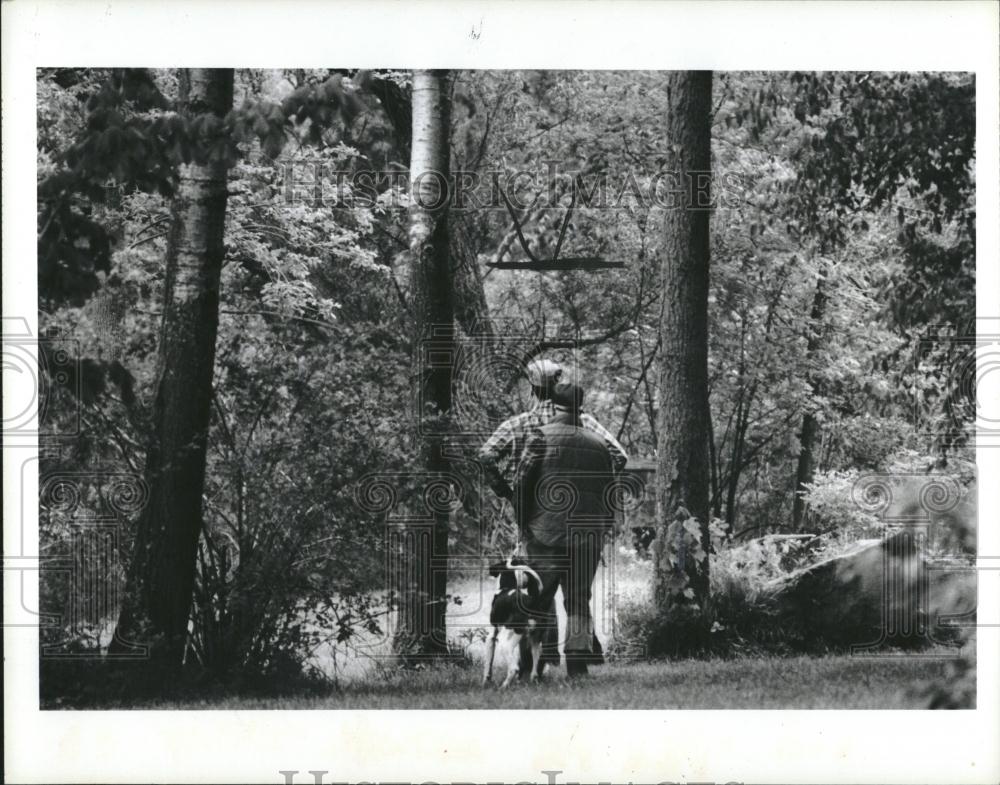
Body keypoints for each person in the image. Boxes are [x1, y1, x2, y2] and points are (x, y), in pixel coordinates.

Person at [511, 381, 617, 677]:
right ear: (580, 408)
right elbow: (611, 495)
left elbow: (520, 485)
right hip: (587, 536)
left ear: (553, 406)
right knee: (579, 600)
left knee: (536, 601)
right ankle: (578, 667)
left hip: (544, 534)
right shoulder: (599, 445)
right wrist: (601, 529)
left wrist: (524, 525)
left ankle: (529, 668)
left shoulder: (538, 438)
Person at [477, 359, 627, 504]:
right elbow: (619, 456)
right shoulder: (584, 422)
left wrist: (506, 492)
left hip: (527, 508)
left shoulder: (516, 425)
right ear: (557, 385)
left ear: (532, 389)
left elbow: (485, 456)